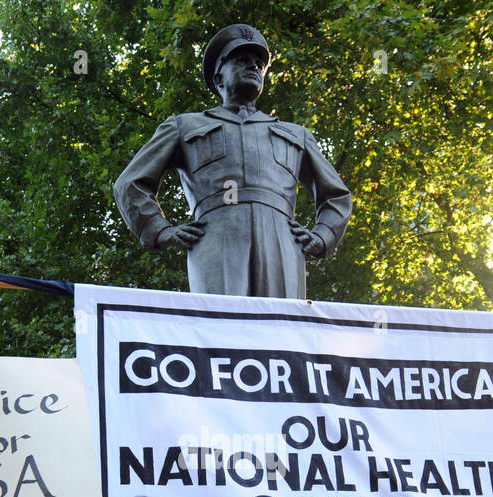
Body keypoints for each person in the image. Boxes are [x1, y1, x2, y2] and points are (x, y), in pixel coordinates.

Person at [113, 23, 352, 299]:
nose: (253, 67)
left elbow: (337, 195)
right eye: (241, 60)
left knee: (280, 330)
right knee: (221, 330)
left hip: (282, 242)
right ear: (218, 78)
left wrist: (322, 236)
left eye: (258, 64)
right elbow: (130, 183)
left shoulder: (297, 134)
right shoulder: (184, 126)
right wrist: (158, 229)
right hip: (216, 238)